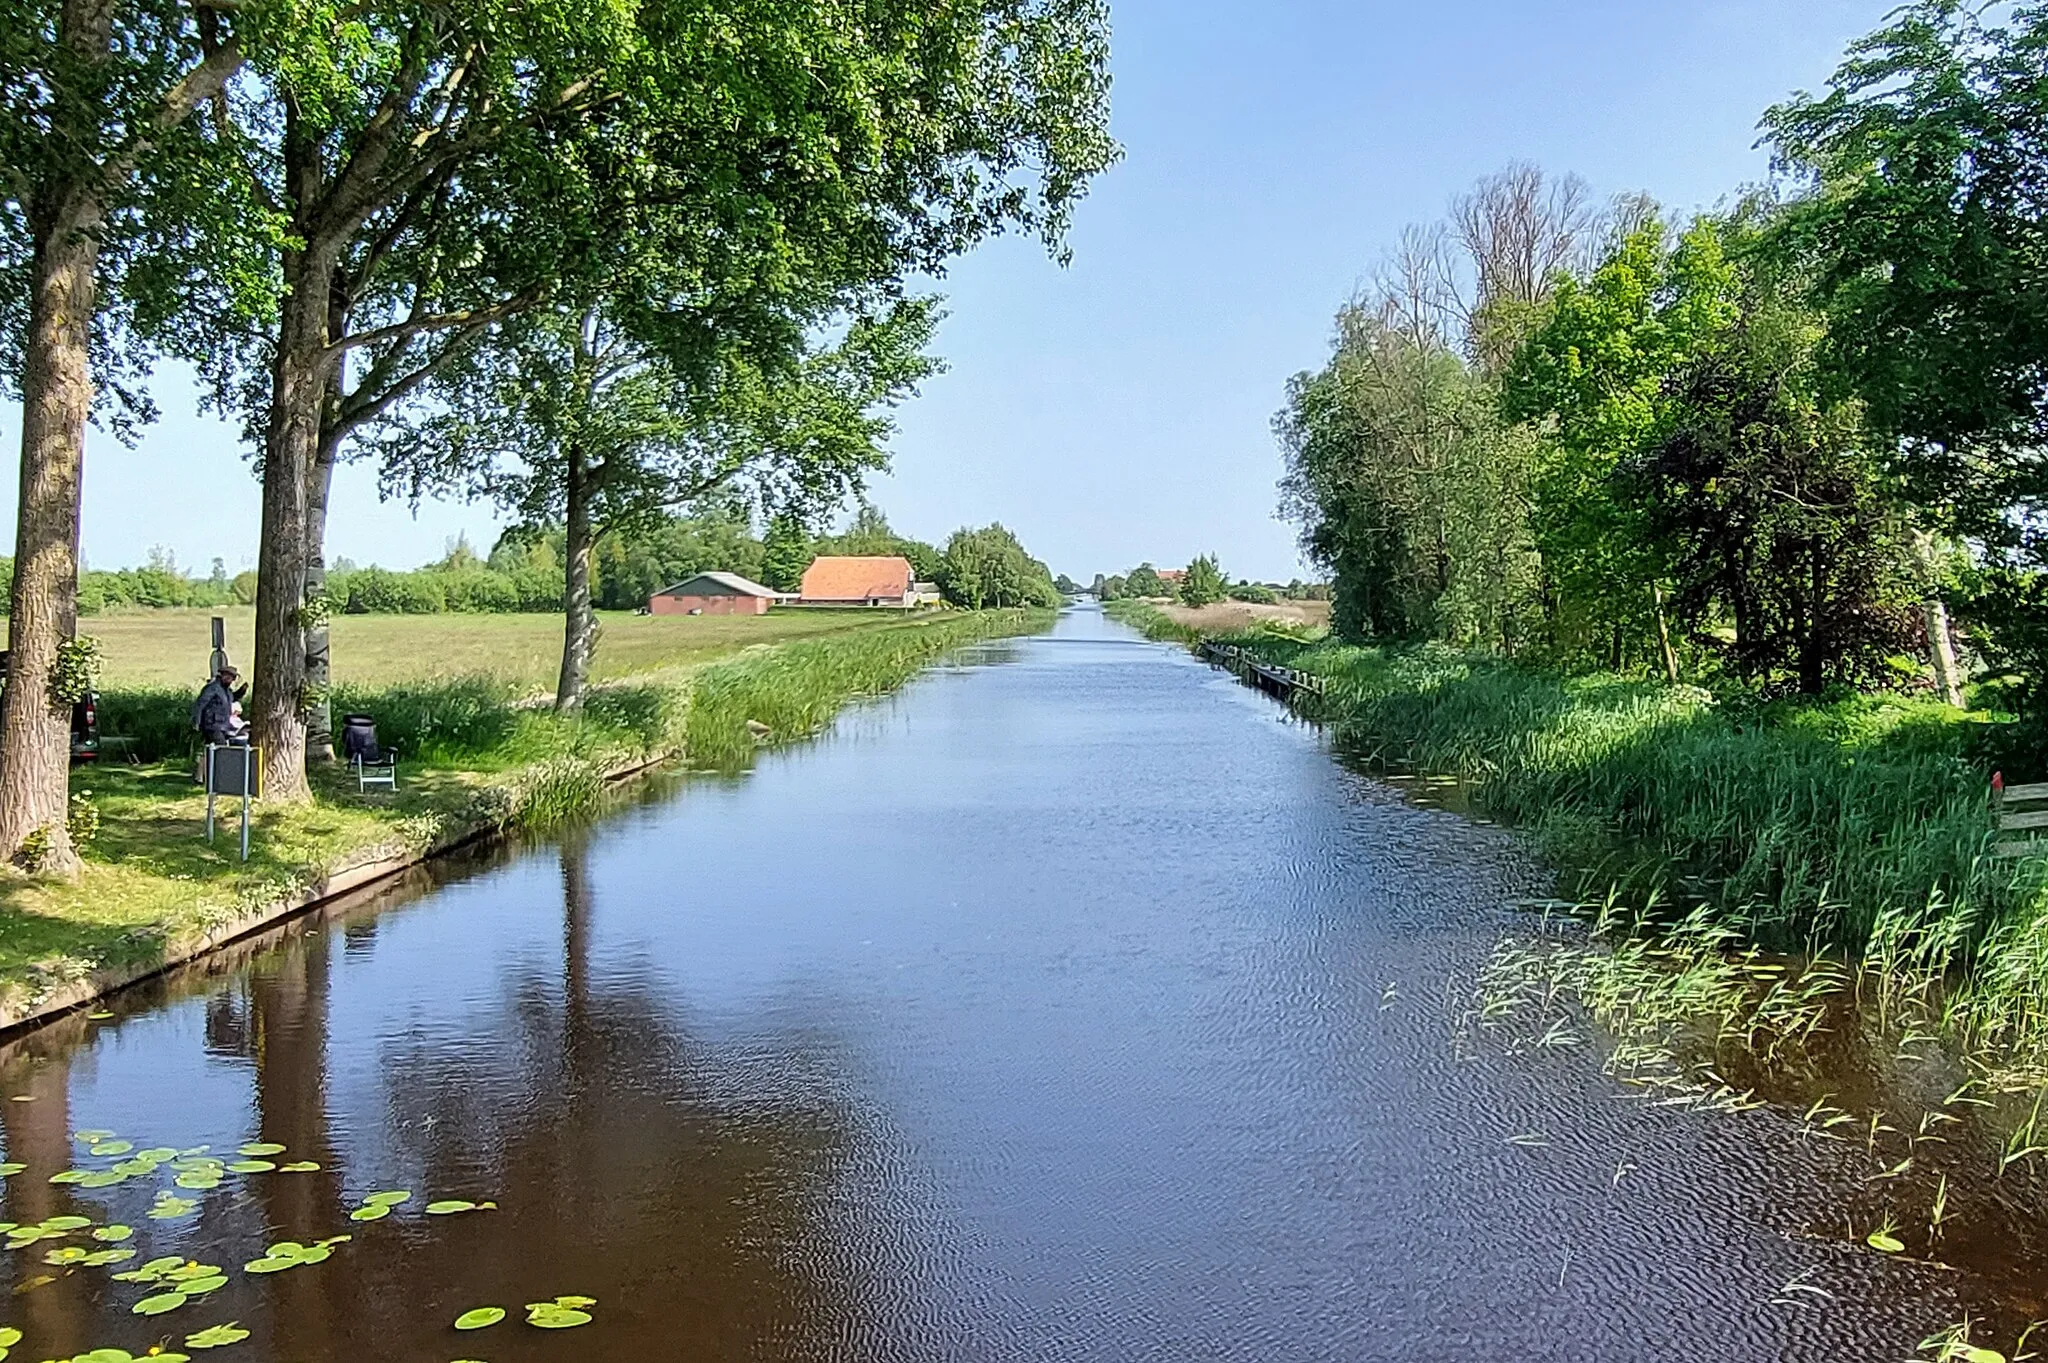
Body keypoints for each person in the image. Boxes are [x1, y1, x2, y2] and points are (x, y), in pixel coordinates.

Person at [192, 665, 246, 745]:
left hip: (223, 726)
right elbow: (201, 703)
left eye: (232, 678)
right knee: (221, 748)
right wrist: (196, 721)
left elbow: (232, 698)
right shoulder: (213, 688)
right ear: (222, 675)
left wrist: (241, 691)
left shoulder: (227, 691)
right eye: (227, 676)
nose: (230, 679)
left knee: (212, 750)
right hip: (212, 725)